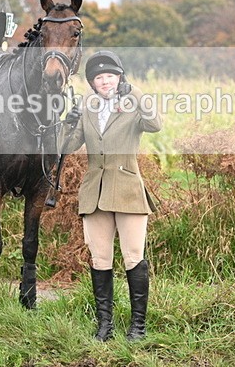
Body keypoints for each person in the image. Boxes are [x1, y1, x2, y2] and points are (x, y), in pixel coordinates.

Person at [61, 50, 163, 341]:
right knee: (100, 258)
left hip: (128, 190)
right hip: (95, 192)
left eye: (110, 76)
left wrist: (138, 93)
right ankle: (104, 326)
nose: (104, 81)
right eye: (98, 78)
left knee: (133, 257)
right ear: (92, 83)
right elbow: (66, 146)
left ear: (119, 78)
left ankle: (138, 327)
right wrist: (68, 122)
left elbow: (155, 124)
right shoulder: (88, 107)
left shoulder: (133, 103)